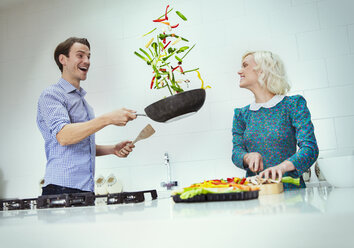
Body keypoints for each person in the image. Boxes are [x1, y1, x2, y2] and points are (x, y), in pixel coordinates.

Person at [37, 37, 137, 195]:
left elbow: (79, 146)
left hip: (85, 189)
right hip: (61, 188)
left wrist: (113, 149)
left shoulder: (84, 104)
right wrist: (108, 119)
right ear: (63, 59)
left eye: (88, 56)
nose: (87, 61)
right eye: (80, 55)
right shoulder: (51, 95)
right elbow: (64, 137)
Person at [232, 51, 319, 189]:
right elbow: (236, 152)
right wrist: (247, 157)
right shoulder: (241, 115)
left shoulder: (293, 105)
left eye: (245, 65)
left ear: (262, 70)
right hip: (255, 192)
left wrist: (281, 168)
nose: (239, 71)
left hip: (291, 193)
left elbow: (310, 149)